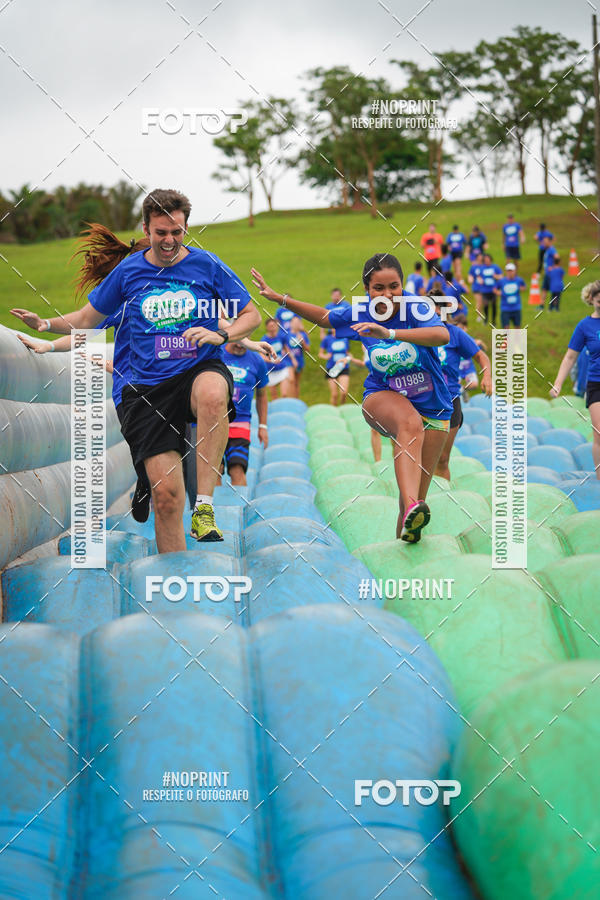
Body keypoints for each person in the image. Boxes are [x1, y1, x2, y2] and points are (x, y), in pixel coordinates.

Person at [15, 189, 261, 552]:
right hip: (145, 390)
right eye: (161, 232)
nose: (169, 240)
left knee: (213, 393)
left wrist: (221, 334)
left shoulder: (208, 265)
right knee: (168, 498)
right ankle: (171, 573)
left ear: (186, 228)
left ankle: (204, 507)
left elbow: (251, 315)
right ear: (145, 229)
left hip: (196, 368)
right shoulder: (128, 272)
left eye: (177, 232)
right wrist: (45, 326)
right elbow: (87, 320)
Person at [251, 253, 453, 543]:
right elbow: (325, 318)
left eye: (394, 286)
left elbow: (441, 335)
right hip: (383, 396)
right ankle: (411, 504)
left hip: (434, 407)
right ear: (367, 289)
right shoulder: (360, 311)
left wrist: (390, 333)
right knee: (409, 424)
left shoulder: (416, 307)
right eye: (378, 288)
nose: (387, 295)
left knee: (414, 505)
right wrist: (280, 299)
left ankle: (407, 527)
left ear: (403, 284)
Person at [11, 225, 155, 523]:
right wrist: (47, 339)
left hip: (166, 386)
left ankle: (152, 482)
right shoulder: (121, 303)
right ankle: (145, 481)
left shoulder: (174, 301)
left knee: (170, 448)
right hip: (130, 391)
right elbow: (82, 329)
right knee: (145, 449)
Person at [431, 296, 492, 480]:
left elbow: (481, 356)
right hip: (422, 402)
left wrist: (487, 377)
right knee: (422, 459)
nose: (435, 313)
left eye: (439, 309)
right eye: (430, 309)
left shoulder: (455, 334)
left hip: (450, 402)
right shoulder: (416, 333)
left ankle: (444, 494)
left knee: (442, 459)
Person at [550, 280, 600, 478]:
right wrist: (558, 384)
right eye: (599, 300)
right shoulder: (584, 326)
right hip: (596, 384)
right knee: (598, 433)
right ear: (591, 300)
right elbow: (570, 357)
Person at [217, 340, 269, 486]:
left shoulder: (257, 361)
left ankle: (239, 501)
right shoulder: (216, 353)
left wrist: (263, 426)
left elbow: (262, 395)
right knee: (214, 470)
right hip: (213, 423)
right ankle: (214, 502)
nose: (240, 346)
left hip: (240, 424)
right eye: (237, 341)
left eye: (244, 341)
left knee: (237, 469)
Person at [319, 331, 363, 406]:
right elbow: (320, 354)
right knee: (334, 395)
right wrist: (326, 356)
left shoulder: (345, 338)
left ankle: (342, 408)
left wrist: (350, 357)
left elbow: (347, 352)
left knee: (344, 392)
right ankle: (334, 411)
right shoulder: (327, 339)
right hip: (332, 368)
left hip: (344, 368)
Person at [262, 317, 296, 399]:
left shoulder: (281, 337)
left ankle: (286, 406)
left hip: (282, 367)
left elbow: (286, 348)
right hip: (270, 370)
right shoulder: (265, 340)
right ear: (267, 328)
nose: (273, 328)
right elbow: (262, 355)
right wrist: (272, 361)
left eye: (274, 325)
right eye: (270, 326)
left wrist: (293, 359)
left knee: (284, 394)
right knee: (274, 395)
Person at [496, 262, 526, 328]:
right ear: (506, 272)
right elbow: (495, 289)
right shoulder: (502, 281)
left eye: (511, 271)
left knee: (517, 327)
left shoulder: (519, 280)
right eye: (508, 271)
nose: (510, 273)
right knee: (506, 328)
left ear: (515, 271)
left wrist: (521, 288)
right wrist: (498, 293)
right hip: (505, 308)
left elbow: (524, 287)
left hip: (516, 308)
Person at [287, 315, 310, 398]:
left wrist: (302, 342)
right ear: (291, 323)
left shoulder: (303, 335)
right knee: (291, 380)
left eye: (298, 322)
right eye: (294, 322)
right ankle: (290, 400)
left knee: (296, 382)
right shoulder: (286, 334)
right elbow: (284, 348)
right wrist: (292, 358)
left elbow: (307, 350)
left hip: (299, 360)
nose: (296, 324)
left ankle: (296, 400)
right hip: (289, 361)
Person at [480, 253, 502, 326]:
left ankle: (493, 320)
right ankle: (486, 319)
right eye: (485, 260)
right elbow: (479, 277)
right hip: (485, 290)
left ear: (490, 260)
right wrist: (480, 280)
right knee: (486, 305)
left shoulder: (495, 267)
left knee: (494, 305)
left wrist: (496, 276)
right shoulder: (482, 268)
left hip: (494, 290)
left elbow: (501, 276)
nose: (486, 261)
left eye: (488, 260)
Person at [541, 235, 558, 309]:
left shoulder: (552, 249)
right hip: (547, 273)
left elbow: (557, 257)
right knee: (544, 289)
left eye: (545, 241)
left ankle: (554, 306)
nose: (544, 243)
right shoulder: (547, 250)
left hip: (551, 274)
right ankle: (541, 305)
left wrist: (553, 267)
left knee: (553, 290)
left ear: (550, 242)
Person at [467, 251, 485, 320]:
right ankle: (479, 316)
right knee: (479, 302)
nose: (480, 258)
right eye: (479, 256)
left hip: (484, 287)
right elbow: (470, 276)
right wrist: (470, 279)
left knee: (483, 302)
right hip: (476, 287)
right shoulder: (474, 267)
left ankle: (482, 314)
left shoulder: (484, 266)